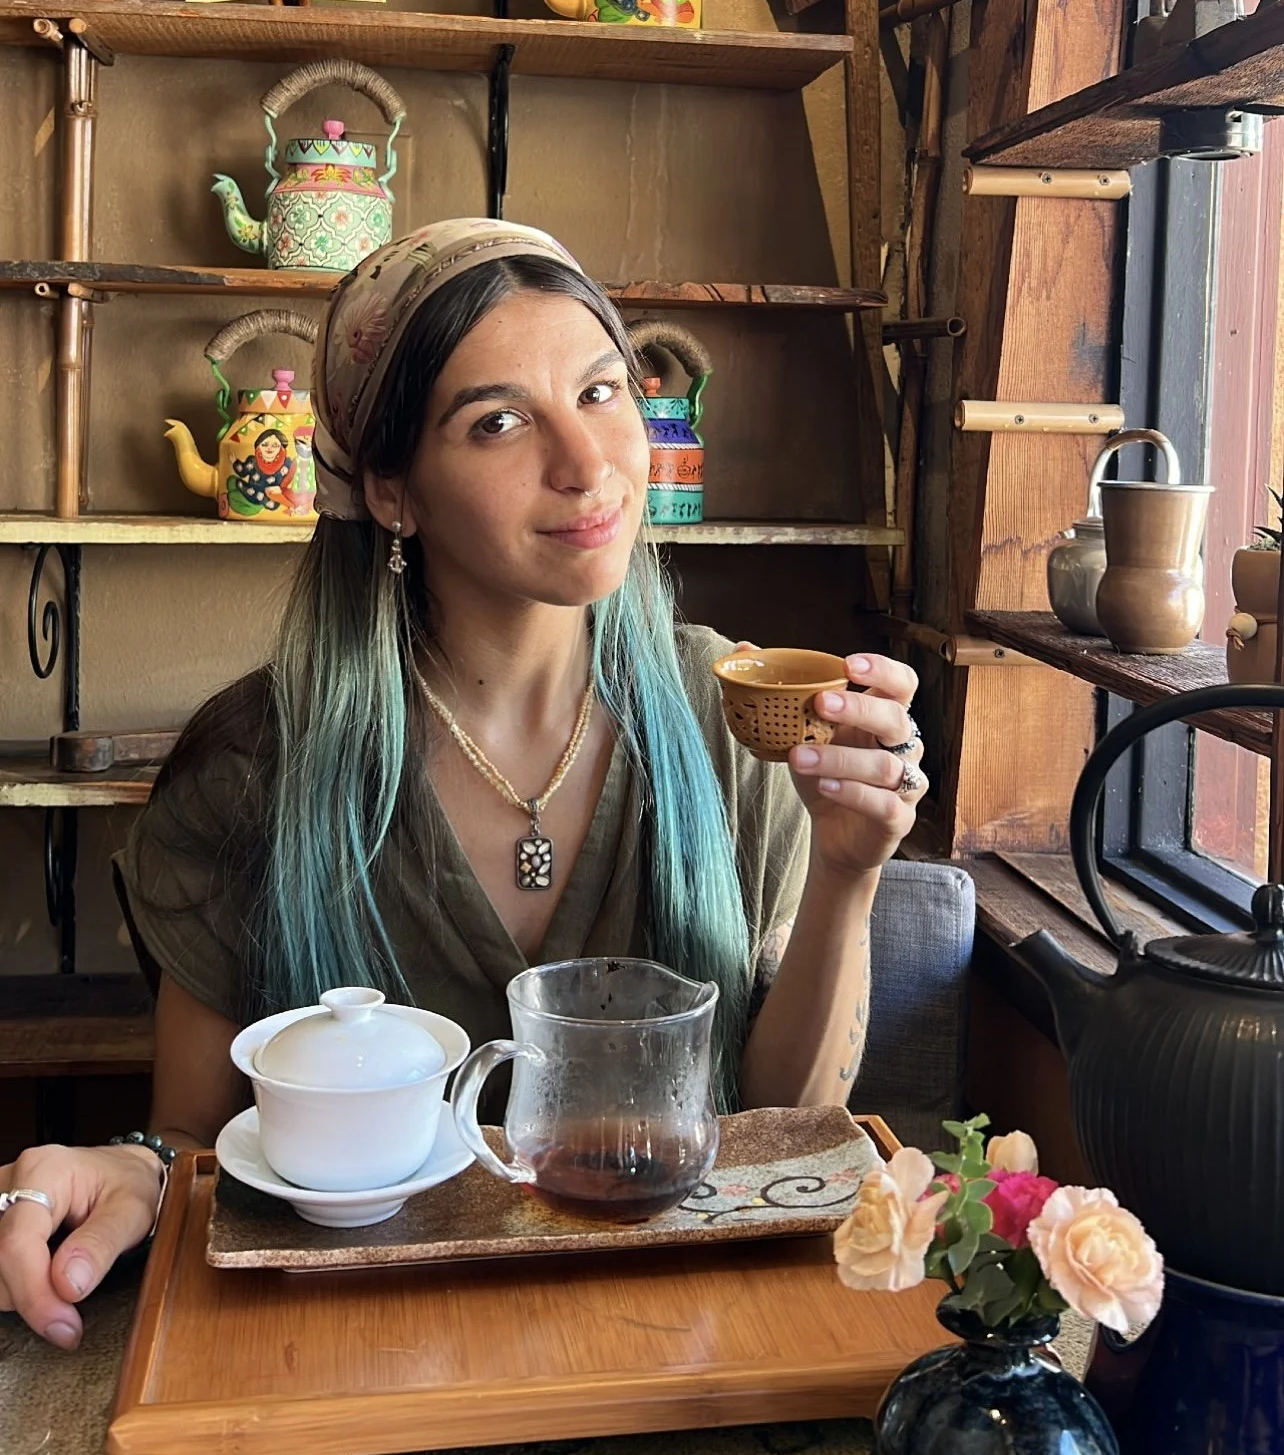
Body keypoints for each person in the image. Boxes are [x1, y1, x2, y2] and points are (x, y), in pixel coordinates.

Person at [0, 217, 926, 1350]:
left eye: (600, 392)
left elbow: (787, 1131)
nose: (587, 464)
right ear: (392, 490)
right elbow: (194, 1140)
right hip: (360, 1355)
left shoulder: (729, 712)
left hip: (680, 1343)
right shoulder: (254, 769)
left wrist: (847, 871)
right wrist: (131, 1169)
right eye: (498, 421)